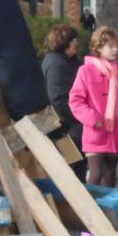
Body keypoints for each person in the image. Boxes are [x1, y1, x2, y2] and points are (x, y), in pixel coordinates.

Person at [68, 27, 118, 187]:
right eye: (110, 46)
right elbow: (75, 101)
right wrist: (93, 119)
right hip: (95, 133)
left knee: (110, 177)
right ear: (98, 47)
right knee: (95, 175)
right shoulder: (85, 71)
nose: (116, 49)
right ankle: (87, 209)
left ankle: (106, 211)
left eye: (116, 45)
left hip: (116, 133)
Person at [40, 24, 86, 181]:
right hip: (66, 129)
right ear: (65, 41)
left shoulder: (68, 61)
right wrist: (82, 117)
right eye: (74, 40)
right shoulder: (56, 64)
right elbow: (58, 99)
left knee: (79, 171)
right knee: (71, 175)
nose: (77, 43)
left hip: (72, 127)